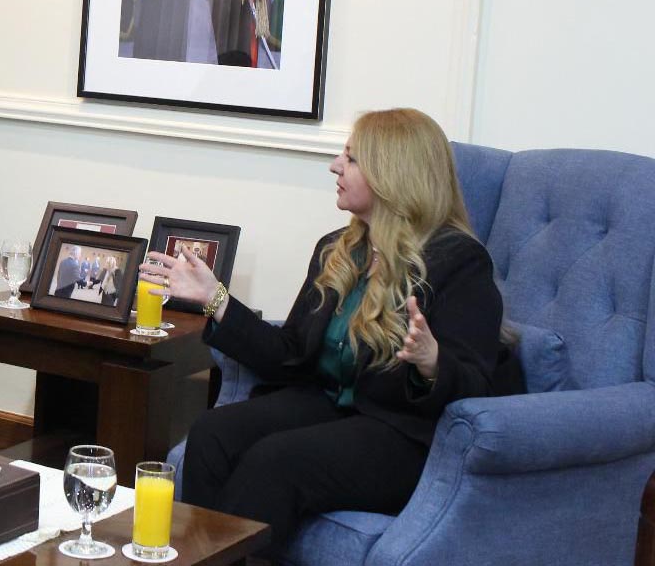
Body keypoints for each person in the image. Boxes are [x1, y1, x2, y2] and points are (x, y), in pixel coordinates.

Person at [139, 108, 513, 556]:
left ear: (391, 174)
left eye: (351, 159)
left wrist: (432, 362)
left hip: (402, 433)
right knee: (211, 434)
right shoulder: (339, 249)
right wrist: (215, 299)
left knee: (275, 462)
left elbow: (476, 383)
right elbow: (290, 354)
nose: (335, 165)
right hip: (329, 407)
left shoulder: (459, 261)